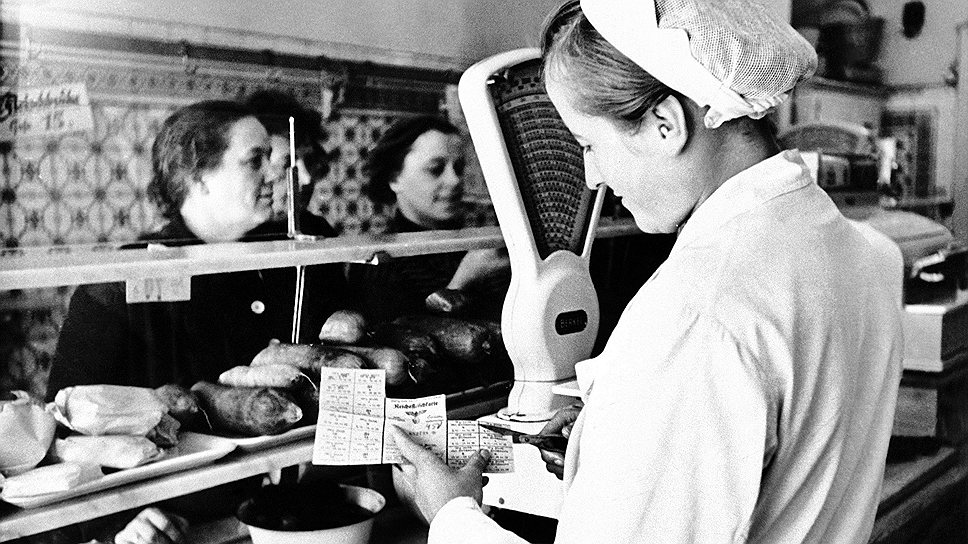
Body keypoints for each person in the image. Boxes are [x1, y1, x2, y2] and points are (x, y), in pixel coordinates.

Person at [390, 1, 904, 543]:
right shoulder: (866, 252)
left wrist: (452, 515)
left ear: (666, 125)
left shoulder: (694, 314)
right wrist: (610, 431)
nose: (593, 176)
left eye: (590, 144)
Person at [45, 99, 346, 543]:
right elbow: (65, 423)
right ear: (198, 176)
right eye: (255, 161)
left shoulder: (288, 259)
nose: (277, 174)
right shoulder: (123, 282)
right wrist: (117, 522)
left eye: (271, 158)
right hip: (179, 524)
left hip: (285, 512)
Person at [349, 114, 510, 324]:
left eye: (459, 168)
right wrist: (463, 282)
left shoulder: (478, 247)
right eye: (435, 169)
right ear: (394, 179)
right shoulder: (378, 262)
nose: (455, 180)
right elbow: (399, 339)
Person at [243, 89, 337, 237]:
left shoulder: (318, 229)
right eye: (287, 164)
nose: (307, 180)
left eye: (309, 161)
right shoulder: (224, 240)